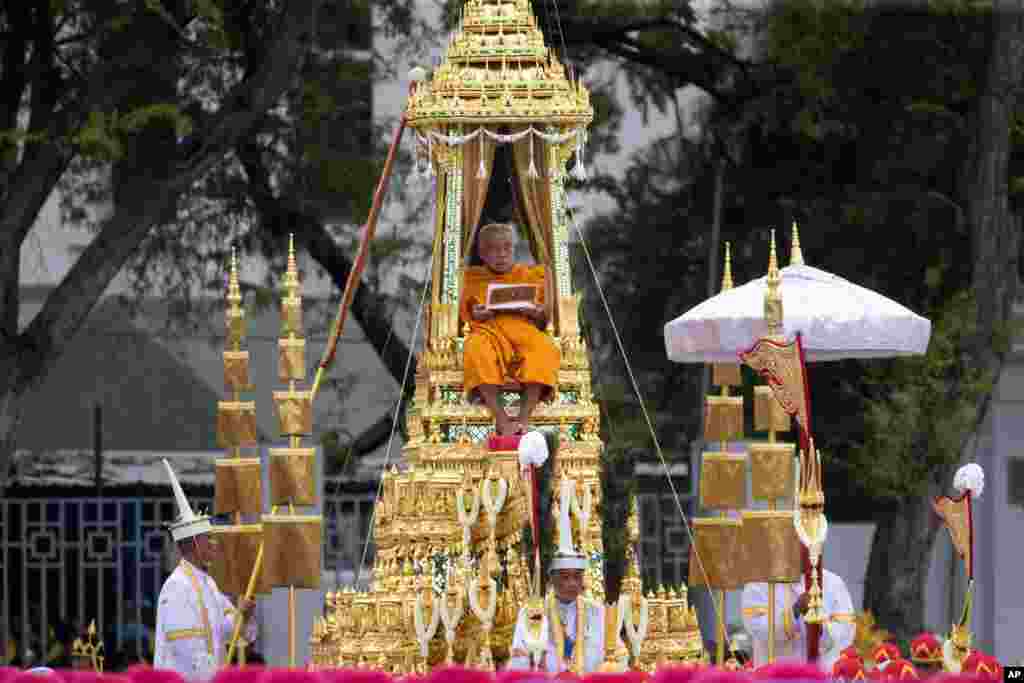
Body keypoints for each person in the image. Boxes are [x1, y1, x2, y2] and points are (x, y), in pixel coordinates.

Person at [153, 460, 256, 680]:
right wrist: (214, 677)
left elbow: (231, 632)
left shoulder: (209, 584)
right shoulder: (177, 586)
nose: (214, 543)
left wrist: (244, 617)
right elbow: (186, 648)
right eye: (207, 538)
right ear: (193, 544)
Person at [460, 222, 559, 436]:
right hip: (488, 330)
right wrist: (478, 314)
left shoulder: (530, 275)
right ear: (482, 253)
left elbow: (543, 317)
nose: (502, 255)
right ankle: (502, 419)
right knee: (475, 350)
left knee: (544, 349)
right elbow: (468, 314)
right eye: (494, 249)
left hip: (523, 328)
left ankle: (524, 419)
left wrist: (534, 311)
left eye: (507, 248)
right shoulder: (472, 278)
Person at [741, 566, 855, 672]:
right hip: (776, 677)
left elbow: (844, 636)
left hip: (822, 675)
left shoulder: (833, 582)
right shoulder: (758, 583)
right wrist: (795, 610)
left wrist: (819, 627)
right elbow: (759, 629)